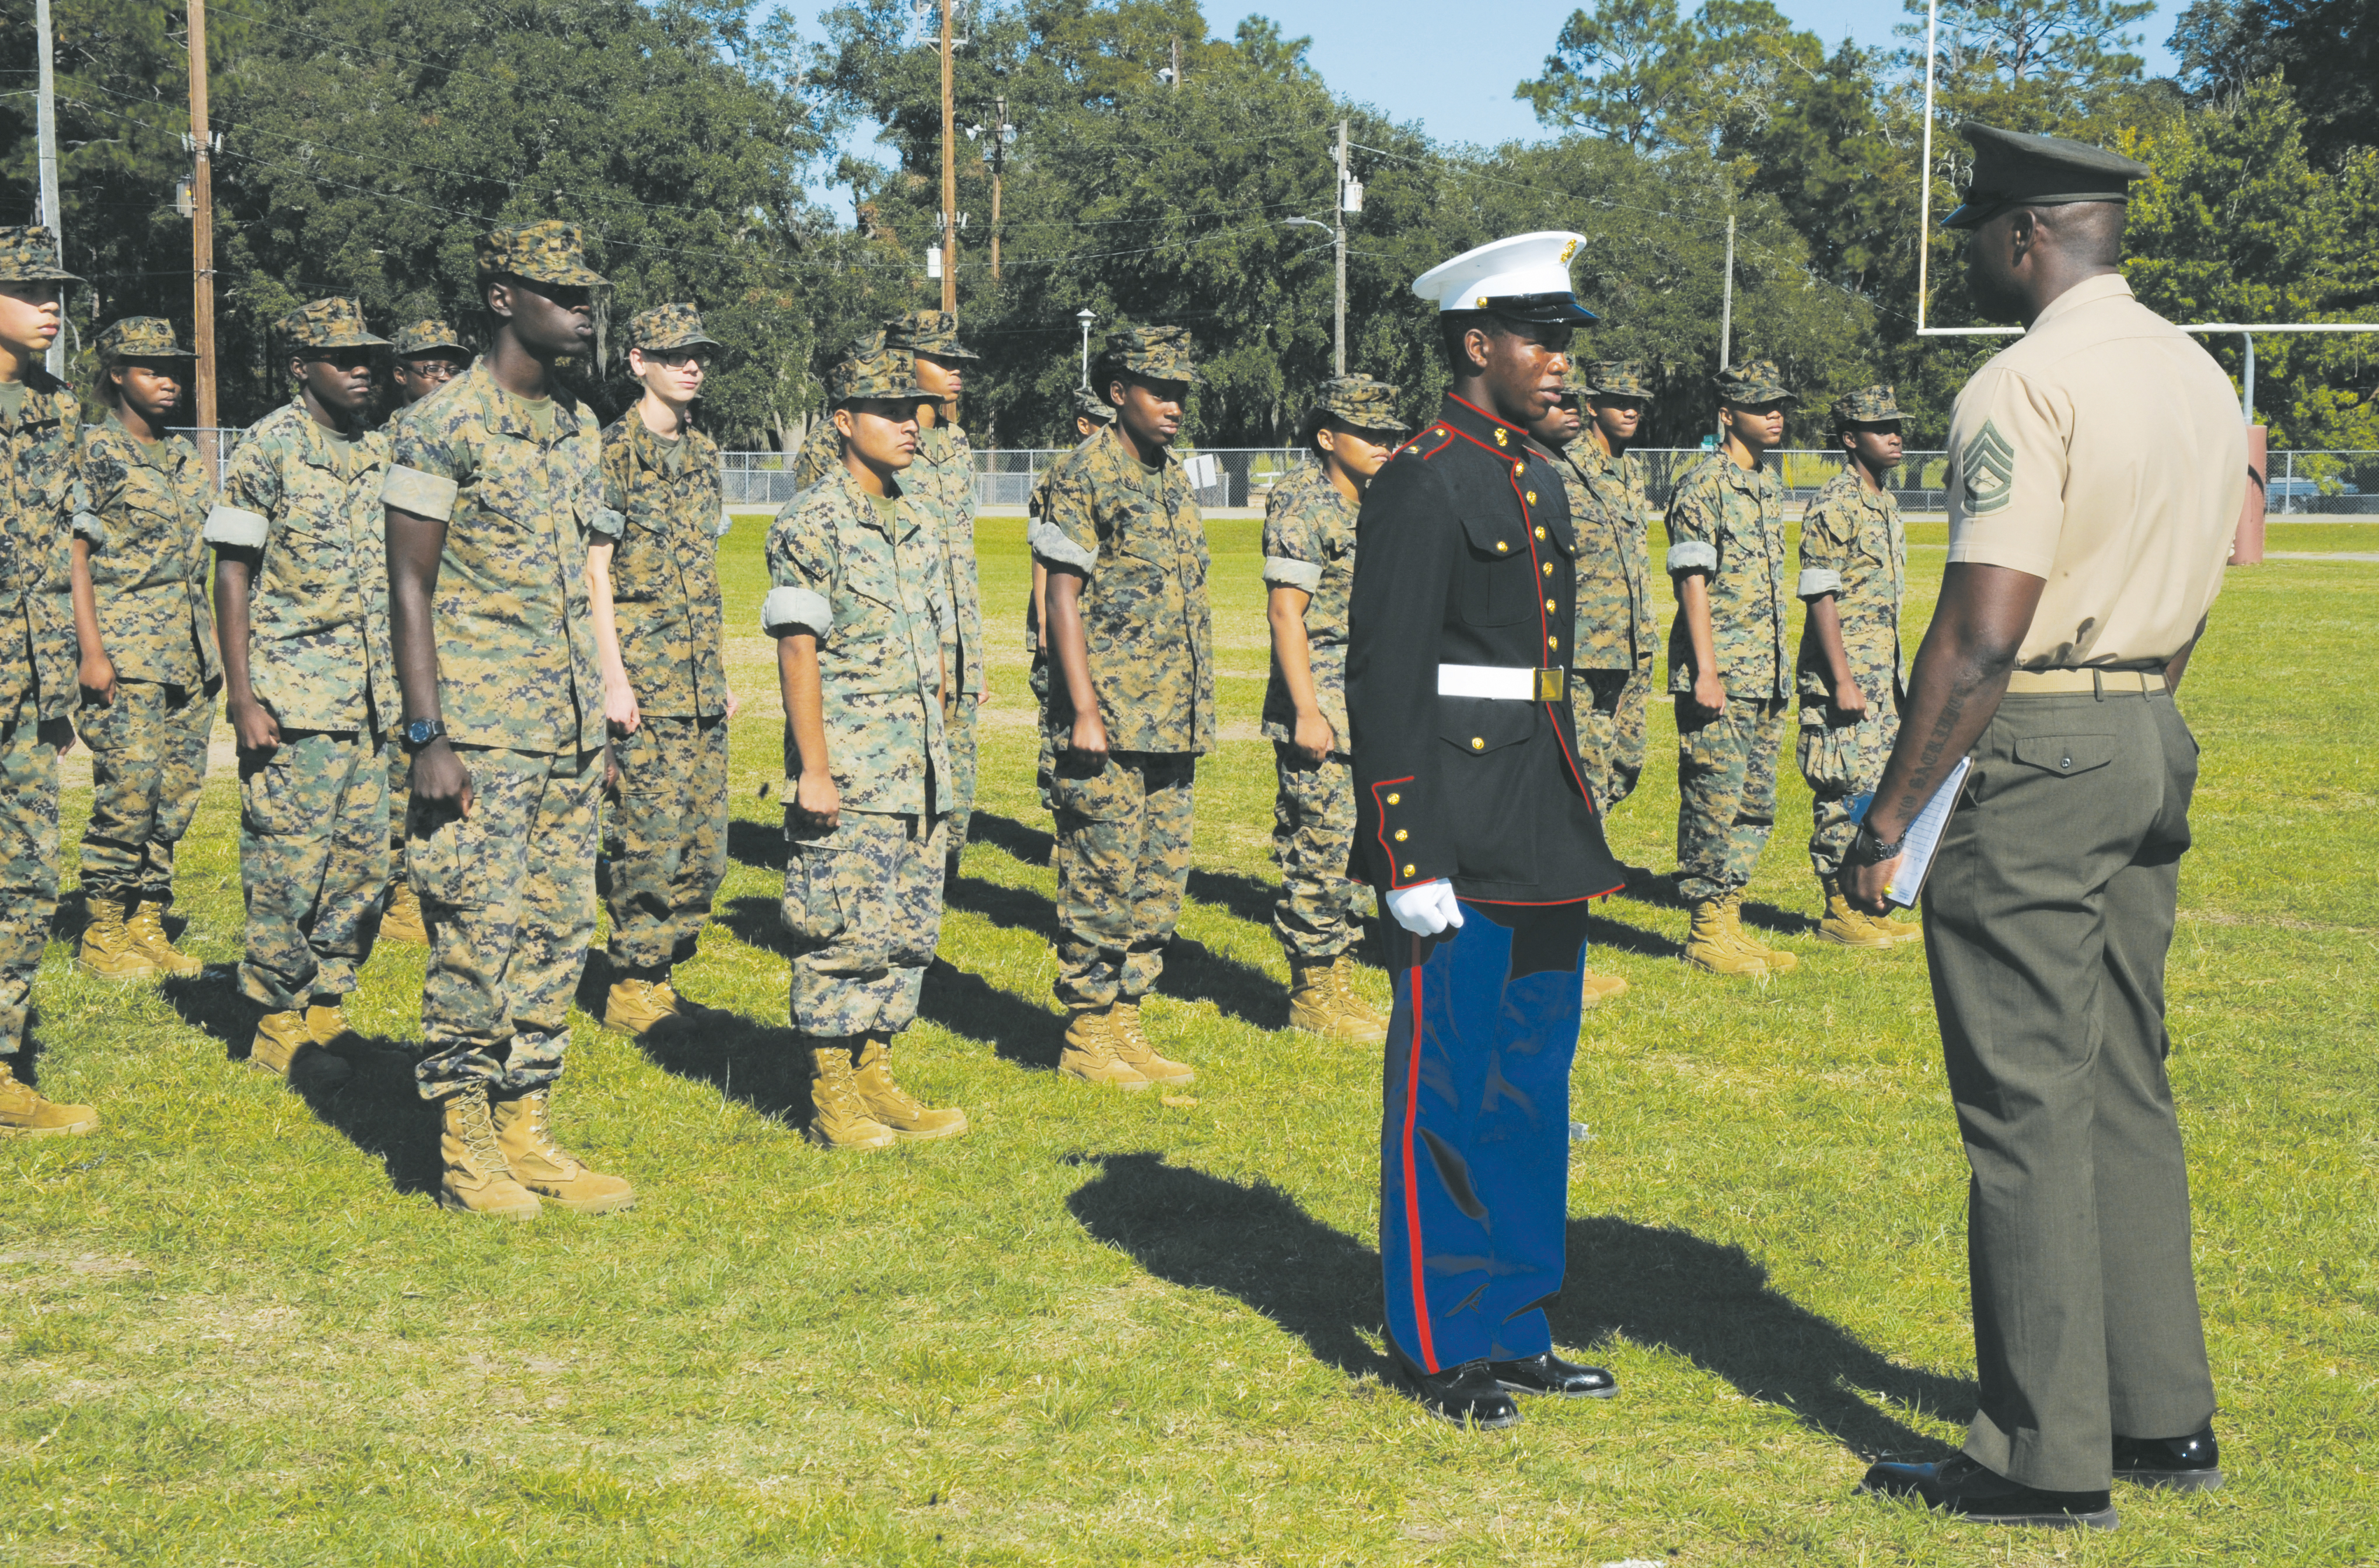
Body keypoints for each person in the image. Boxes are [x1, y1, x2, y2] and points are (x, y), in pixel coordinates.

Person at [1853, 123, 2244, 1530]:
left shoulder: (2024, 382)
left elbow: (1980, 629)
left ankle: (2039, 1455)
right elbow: (2203, 581)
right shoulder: (2197, 375)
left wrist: (1892, 813)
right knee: (2125, 1081)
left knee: (2023, 1096)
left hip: (2045, 738)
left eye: (1976, 234)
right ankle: (2160, 1416)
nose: (1972, 255)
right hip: (2149, 719)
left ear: (2025, 236)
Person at [1350, 231, 1623, 1428]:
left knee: (1527, 1083)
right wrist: (1407, 851)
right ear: (1476, 345)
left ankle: (1514, 1322)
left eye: (1566, 340)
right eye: (1543, 339)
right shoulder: (1423, 476)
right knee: (1445, 1091)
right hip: (1454, 826)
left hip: (1537, 812)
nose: (1562, 362)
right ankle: (1439, 1339)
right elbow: (1386, 671)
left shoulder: (1532, 471)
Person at [382, 220, 633, 1219]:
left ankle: (526, 1122)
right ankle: (465, 1141)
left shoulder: (578, 424)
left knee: (556, 932)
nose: (580, 307)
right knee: (475, 939)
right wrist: (424, 734)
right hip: (478, 734)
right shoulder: (440, 425)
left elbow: (584, 575)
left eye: (585, 292)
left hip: (566, 731)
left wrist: (599, 711)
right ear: (501, 297)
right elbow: (407, 582)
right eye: (557, 290)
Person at [764, 331, 966, 1149]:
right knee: (841, 931)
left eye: (913, 409)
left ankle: (877, 1072)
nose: (911, 424)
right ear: (845, 422)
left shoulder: (914, 514)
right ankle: (831, 1093)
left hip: (917, 767)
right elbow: (796, 650)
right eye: (889, 412)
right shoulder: (812, 521)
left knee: (906, 932)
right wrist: (814, 770)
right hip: (850, 765)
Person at [206, 298, 399, 1087]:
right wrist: (243, 696)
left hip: (373, 702)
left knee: (362, 867)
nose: (361, 371)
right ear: (300, 368)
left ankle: (328, 1003)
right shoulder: (269, 449)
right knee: (288, 866)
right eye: (342, 358)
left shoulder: (384, 453)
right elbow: (231, 571)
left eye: (369, 359)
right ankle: (277, 1022)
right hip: (292, 701)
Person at [1030, 327, 1212, 1091]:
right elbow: (1060, 597)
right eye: (1157, 391)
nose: (1173, 406)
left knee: (1156, 880)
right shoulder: (1085, 472)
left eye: (1180, 393)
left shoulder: (1172, 477)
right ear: (1117, 394)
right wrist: (1083, 709)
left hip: (1172, 716)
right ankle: (1086, 1034)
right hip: (1106, 717)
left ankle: (1127, 1022)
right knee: (1100, 878)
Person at [588, 303, 736, 1037]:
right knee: (646, 837)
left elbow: (703, 574)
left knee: (705, 846)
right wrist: (613, 680)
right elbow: (595, 576)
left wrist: (723, 674)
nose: (692, 366)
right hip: (643, 680)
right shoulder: (611, 453)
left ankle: (664, 971)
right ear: (638, 360)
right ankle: (631, 982)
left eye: (699, 354)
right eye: (676, 354)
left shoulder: (706, 454)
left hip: (700, 680)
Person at [71, 318, 220, 983]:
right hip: (125, 653)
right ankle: (102, 930)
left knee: (177, 794)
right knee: (128, 792)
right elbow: (73, 556)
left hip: (189, 653)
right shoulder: (94, 453)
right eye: (152, 369)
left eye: (175, 369)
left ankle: (147, 921)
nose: (170, 381)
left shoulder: (185, 457)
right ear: (116, 376)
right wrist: (91, 652)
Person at [1260, 373, 1405, 1041]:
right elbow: (1286, 614)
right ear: (1327, 438)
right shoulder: (1302, 500)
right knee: (1317, 850)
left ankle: (1341, 982)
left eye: (1390, 432)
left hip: (1373, 705)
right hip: (1322, 705)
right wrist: (1306, 712)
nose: (1384, 443)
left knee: (1355, 851)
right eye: (1369, 432)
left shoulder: (1379, 502)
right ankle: (1314, 994)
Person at [0, 226, 97, 1137]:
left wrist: (70, 667)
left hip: (29, 690)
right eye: (30, 289)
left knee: (24, 880)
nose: (51, 306)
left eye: (56, 290)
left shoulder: (58, 409)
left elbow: (64, 544)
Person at [1664, 359, 1797, 979]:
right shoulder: (1703, 487)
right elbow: (1694, 584)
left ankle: (1731, 919)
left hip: (1764, 674)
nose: (1776, 416)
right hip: (1720, 677)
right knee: (1713, 801)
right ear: (1727, 415)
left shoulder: (1768, 486)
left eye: (1779, 406)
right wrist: (1706, 671)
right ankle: (1704, 930)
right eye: (1761, 406)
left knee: (1753, 804)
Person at [1531, 359, 1654, 1005]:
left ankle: (1570, 940)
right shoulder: (1559, 462)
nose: (1631, 409)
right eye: (1617, 399)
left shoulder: (1629, 472)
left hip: (1626, 657)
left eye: (1638, 400)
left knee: (1611, 783)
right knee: (1569, 796)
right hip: (1574, 662)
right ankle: (1557, 954)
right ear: (1591, 402)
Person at [1795, 386, 1920, 949]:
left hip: (1880, 676)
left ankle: (1866, 900)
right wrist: (1842, 679)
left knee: (1874, 788)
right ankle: (1838, 907)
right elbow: (1819, 594)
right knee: (1842, 788)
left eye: (1897, 425)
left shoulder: (1884, 503)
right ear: (1850, 439)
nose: (1895, 436)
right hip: (1842, 677)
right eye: (1880, 428)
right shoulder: (1835, 503)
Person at [377, 317, 475, 947]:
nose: (441, 376)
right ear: (400, 375)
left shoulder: (466, 431)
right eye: (427, 367)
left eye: (450, 366)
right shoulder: (386, 441)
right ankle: (393, 892)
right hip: (399, 621)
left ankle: (426, 884)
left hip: (457, 627)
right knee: (399, 760)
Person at [883, 312, 984, 874]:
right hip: (905, 638)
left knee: (959, 761)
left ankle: (946, 872)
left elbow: (963, 556)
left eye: (958, 362)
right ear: (905, 361)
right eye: (942, 360)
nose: (956, 371)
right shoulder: (875, 439)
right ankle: (899, 867)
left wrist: (975, 659)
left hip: (959, 638)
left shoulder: (957, 442)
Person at [1026, 387, 1116, 722]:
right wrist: (1043, 621)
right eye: (1105, 423)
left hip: (1097, 617)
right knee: (1059, 711)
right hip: (1059, 610)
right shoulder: (1061, 473)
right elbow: (1041, 555)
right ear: (1084, 424)